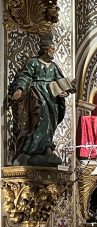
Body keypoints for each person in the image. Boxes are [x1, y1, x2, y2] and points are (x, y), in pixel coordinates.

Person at [11, 33, 72, 166]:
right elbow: (25, 76)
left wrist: (65, 92)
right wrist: (20, 89)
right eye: (52, 48)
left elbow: (60, 81)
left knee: (51, 121)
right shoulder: (34, 63)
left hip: (52, 97)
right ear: (45, 49)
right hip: (38, 94)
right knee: (40, 119)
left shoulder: (54, 66)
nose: (53, 51)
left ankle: (47, 147)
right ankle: (30, 149)